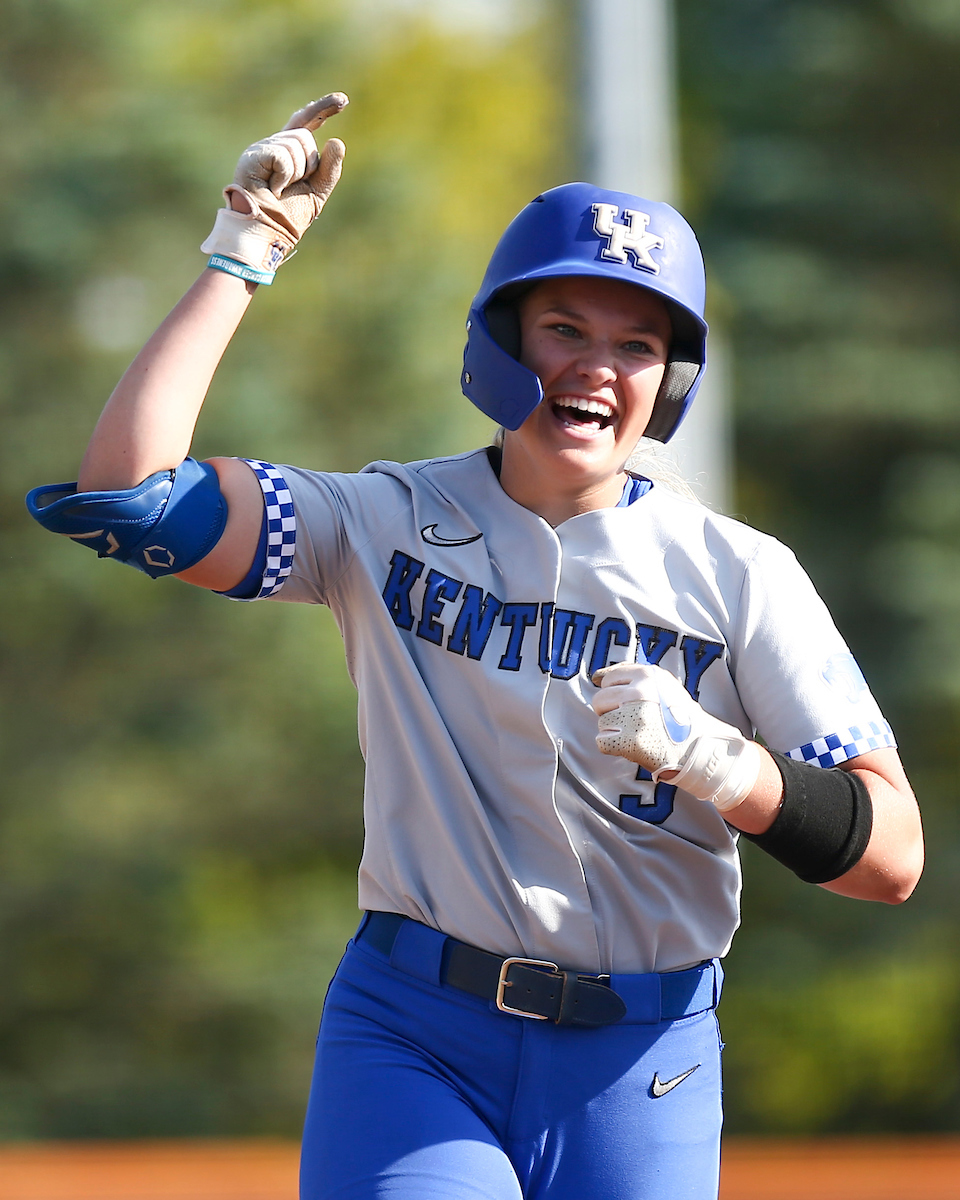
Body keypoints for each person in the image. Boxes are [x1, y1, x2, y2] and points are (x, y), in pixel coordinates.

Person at [27, 94, 923, 1200]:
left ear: (670, 383)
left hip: (642, 1061)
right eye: (566, 330)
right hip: (415, 1031)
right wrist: (241, 253)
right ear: (502, 340)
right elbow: (132, 495)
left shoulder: (740, 574)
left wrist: (725, 763)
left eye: (637, 344)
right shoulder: (383, 520)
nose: (600, 366)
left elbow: (893, 857)